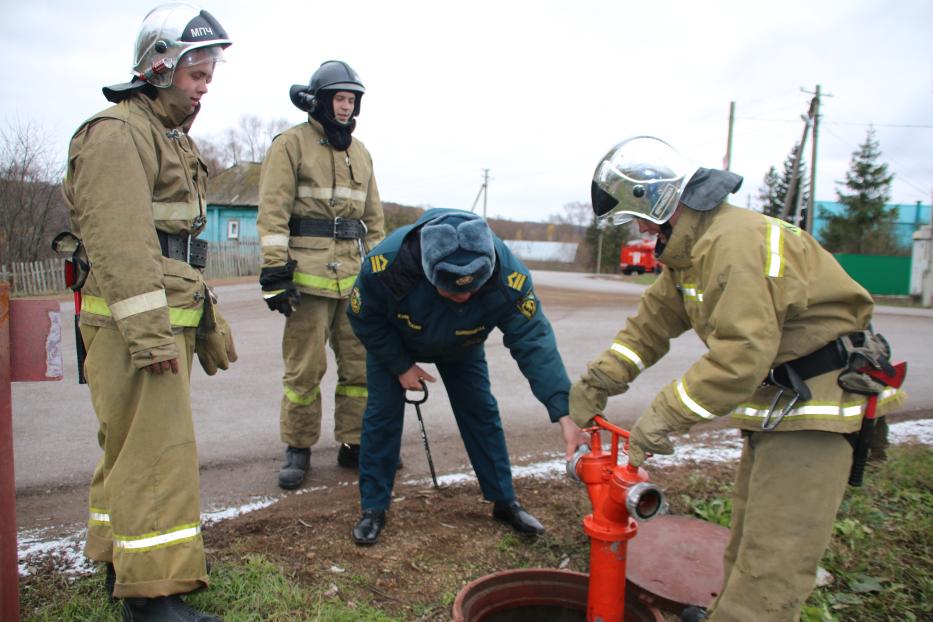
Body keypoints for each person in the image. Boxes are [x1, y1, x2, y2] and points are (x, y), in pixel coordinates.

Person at [569, 136, 904, 622]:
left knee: (771, 565)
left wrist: (661, 418)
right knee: (747, 540)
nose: (639, 229)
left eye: (638, 217)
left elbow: (741, 356)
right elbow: (648, 329)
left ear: (662, 200)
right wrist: (592, 387)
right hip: (785, 405)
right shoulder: (690, 252)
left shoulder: (733, 242)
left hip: (819, 408)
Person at [60, 4, 237, 620]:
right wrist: (150, 336)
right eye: (197, 67)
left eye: (211, 68)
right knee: (155, 454)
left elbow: (175, 247)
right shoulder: (115, 134)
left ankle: (116, 558)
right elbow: (123, 247)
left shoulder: (165, 137)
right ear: (158, 65)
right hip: (135, 328)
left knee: (130, 449)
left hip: (158, 322)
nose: (206, 80)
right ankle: (154, 599)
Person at [346, 208, 588, 545]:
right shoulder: (387, 265)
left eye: (472, 289)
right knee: (382, 415)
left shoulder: (508, 276)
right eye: (451, 289)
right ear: (428, 271)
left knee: (481, 413)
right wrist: (400, 366)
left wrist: (564, 410)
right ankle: (373, 509)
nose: (463, 296)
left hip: (463, 343)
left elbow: (533, 339)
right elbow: (363, 317)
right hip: (394, 343)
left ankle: (505, 501)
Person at [257, 60, 385, 489]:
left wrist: (380, 274)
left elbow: (375, 220)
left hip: (354, 280)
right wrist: (275, 272)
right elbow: (272, 212)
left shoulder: (361, 153)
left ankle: (354, 444)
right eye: (340, 99)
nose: (346, 107)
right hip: (306, 278)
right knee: (304, 370)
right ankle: (298, 446)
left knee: (360, 367)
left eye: (352, 100)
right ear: (321, 100)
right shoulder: (290, 145)